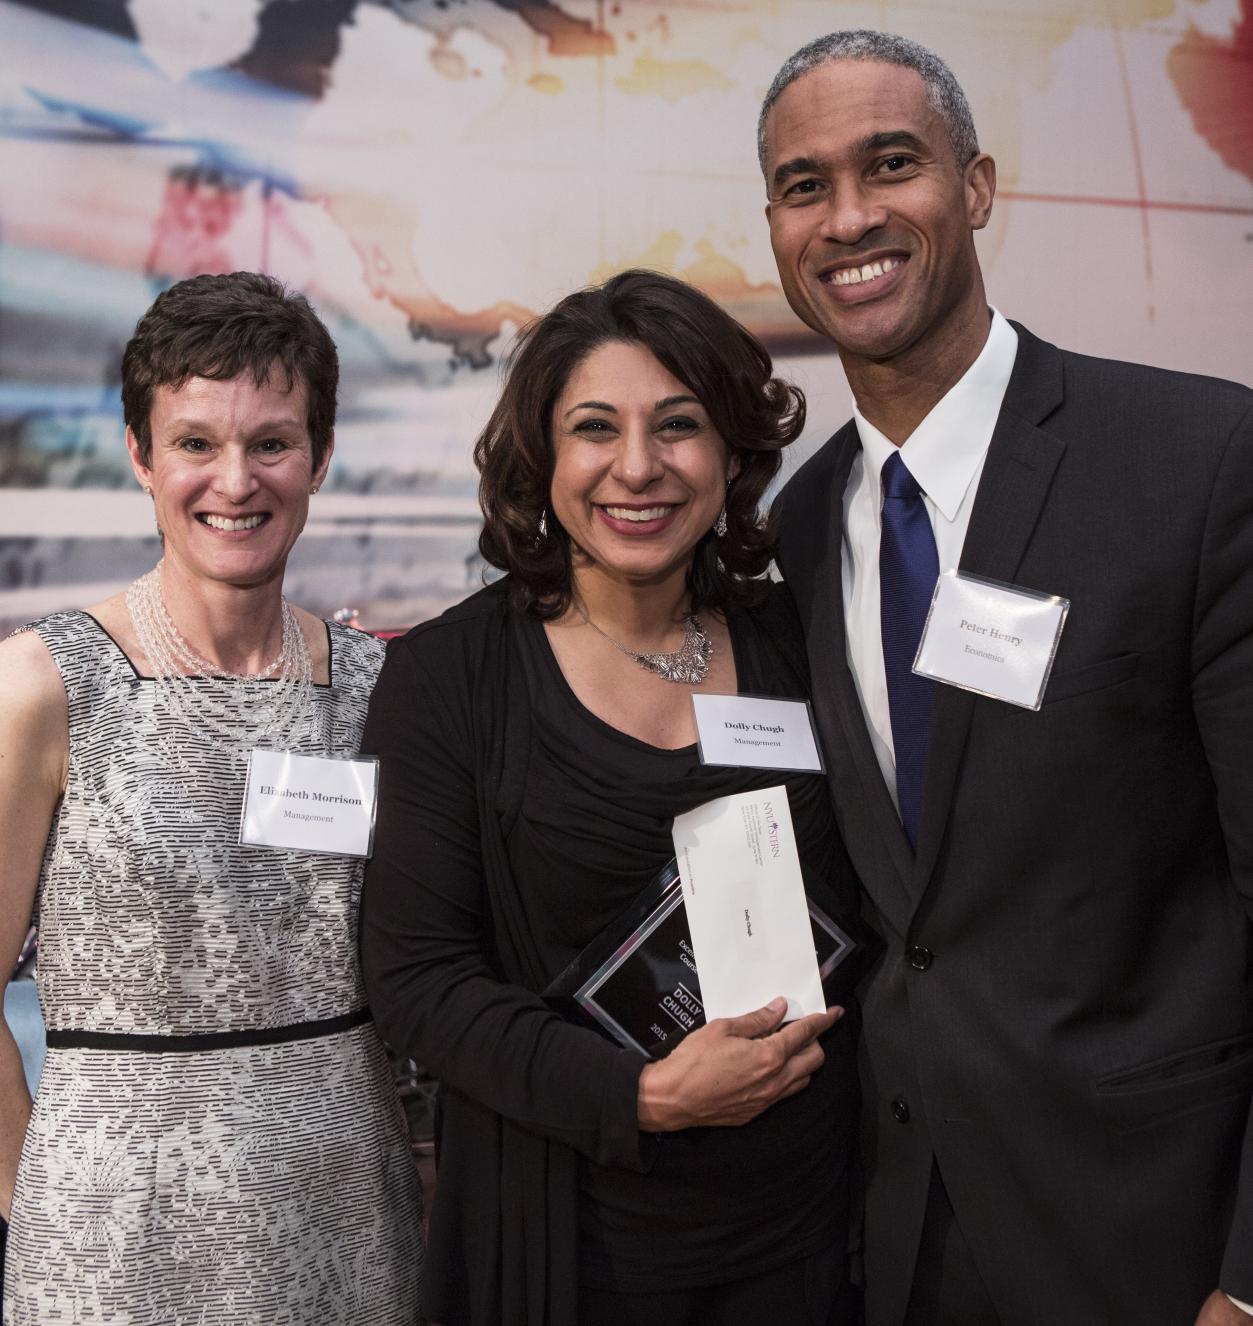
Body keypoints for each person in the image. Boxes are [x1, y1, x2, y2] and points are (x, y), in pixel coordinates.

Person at [759, 28, 1253, 1326]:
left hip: (1157, 1236)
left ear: (974, 187)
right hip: (900, 1233)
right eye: (804, 184)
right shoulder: (795, 533)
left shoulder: (1194, 460)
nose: (849, 216)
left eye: (891, 164)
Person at [360, 269, 861, 1326]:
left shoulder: (803, 639)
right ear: (543, 457)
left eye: (677, 425)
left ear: (731, 451)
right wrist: (643, 1098)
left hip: (809, 1234)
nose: (637, 467)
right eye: (595, 427)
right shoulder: (451, 677)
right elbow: (418, 981)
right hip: (567, 1244)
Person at [0, 272, 423, 1324]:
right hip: (114, 1237)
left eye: (271, 443)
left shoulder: (379, 691)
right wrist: (32, 1196)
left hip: (347, 1209)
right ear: (141, 455)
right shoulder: (41, 686)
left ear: (320, 456)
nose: (235, 481)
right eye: (196, 442)